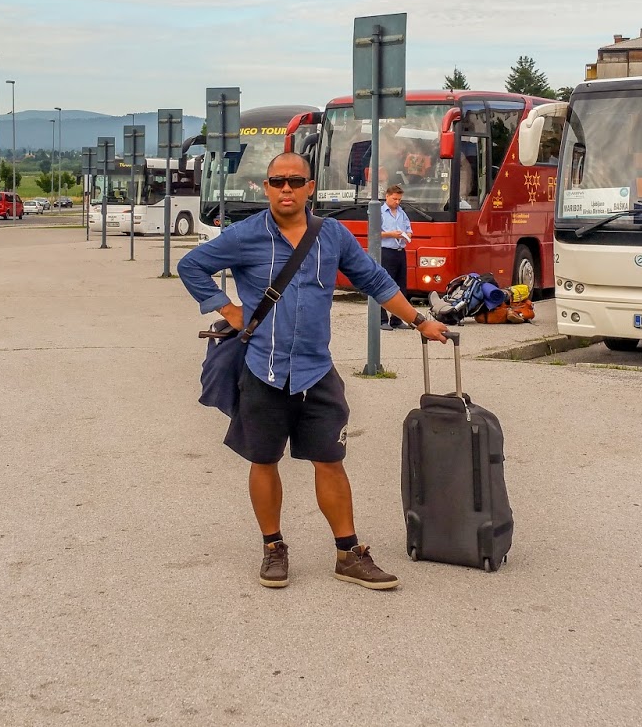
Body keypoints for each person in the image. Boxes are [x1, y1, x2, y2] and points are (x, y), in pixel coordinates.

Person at [179, 152, 451, 592]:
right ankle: (273, 548)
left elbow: (377, 282)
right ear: (265, 188)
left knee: (331, 460)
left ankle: (348, 554)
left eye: (295, 181)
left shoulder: (333, 236)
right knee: (264, 461)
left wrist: (421, 322)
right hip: (262, 369)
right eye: (277, 182)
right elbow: (191, 265)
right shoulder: (245, 235)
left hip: (315, 372)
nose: (286, 189)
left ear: (310, 188)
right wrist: (226, 308)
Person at [377, 184, 413, 330]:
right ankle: (381, 319)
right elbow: (374, 232)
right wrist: (391, 234)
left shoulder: (401, 213)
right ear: (387, 196)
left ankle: (397, 319)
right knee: (384, 285)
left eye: (399, 199)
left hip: (400, 251)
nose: (397, 202)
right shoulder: (379, 212)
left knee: (400, 286)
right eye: (394, 199)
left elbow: (409, 228)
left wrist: (408, 235)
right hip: (386, 251)